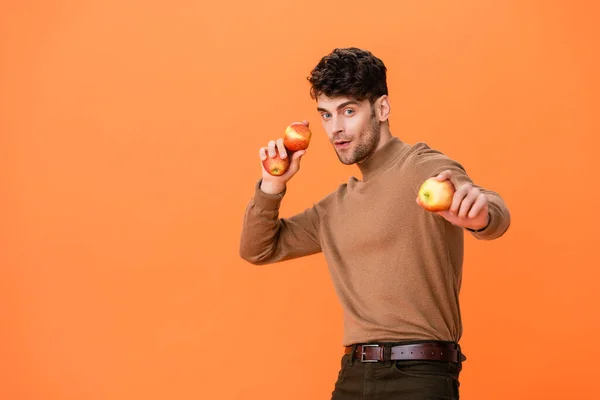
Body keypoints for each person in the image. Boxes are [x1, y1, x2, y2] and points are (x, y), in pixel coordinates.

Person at [238, 47, 511, 400]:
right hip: (353, 376)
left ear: (381, 109)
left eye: (348, 111)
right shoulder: (334, 208)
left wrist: (481, 216)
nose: (336, 128)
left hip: (420, 376)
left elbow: (493, 210)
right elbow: (257, 248)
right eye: (326, 115)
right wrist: (273, 184)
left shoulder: (420, 166)